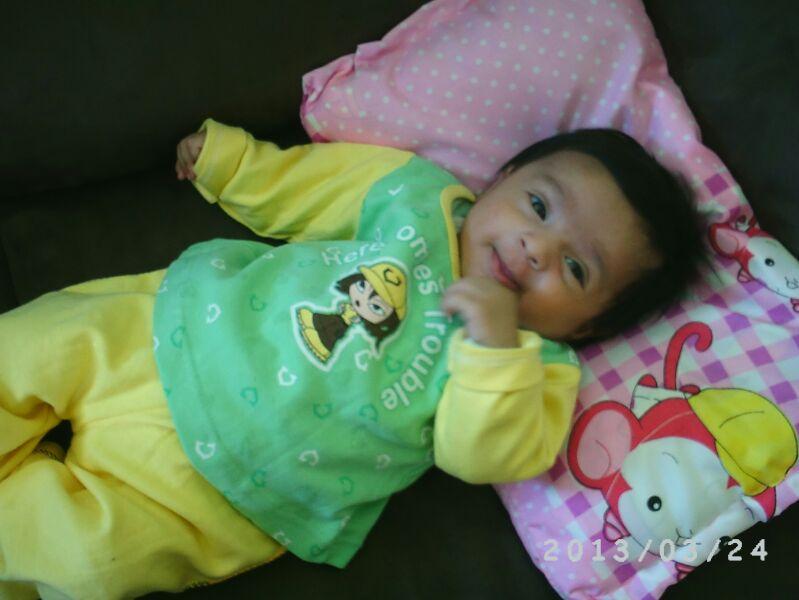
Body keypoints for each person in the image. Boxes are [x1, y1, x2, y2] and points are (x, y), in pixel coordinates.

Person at [0, 119, 705, 599]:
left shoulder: (536, 369)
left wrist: (492, 349)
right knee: (34, 348)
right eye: (539, 207)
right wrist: (233, 164)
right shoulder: (418, 197)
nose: (535, 250)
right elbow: (309, 188)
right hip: (170, 327)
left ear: (588, 326)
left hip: (227, 491)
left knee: (90, 562)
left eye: (576, 269)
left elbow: (481, 454)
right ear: (503, 176)